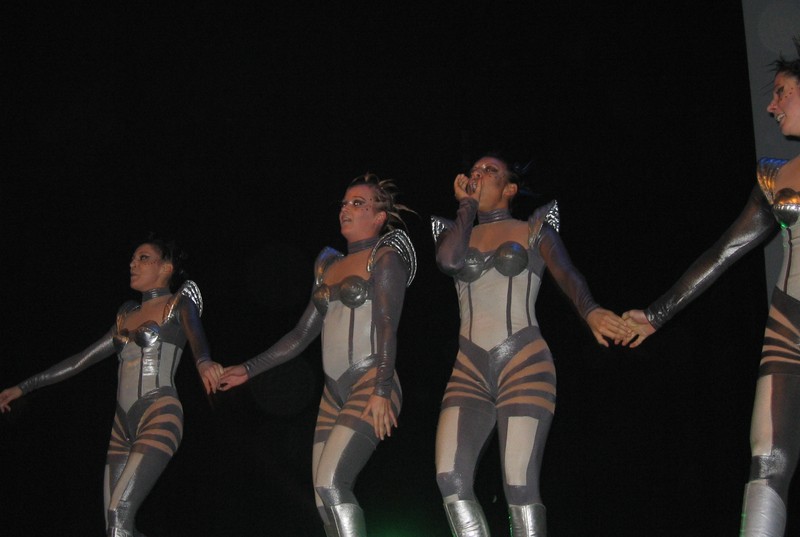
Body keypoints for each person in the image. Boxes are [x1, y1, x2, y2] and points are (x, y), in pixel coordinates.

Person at [622, 39, 800, 537]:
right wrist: (655, 315)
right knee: (767, 459)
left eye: (782, 92)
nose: (772, 106)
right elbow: (723, 253)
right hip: (788, 326)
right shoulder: (775, 177)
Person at [431, 153, 631, 537]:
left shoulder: (534, 229)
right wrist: (466, 206)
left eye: (489, 171)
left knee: (518, 482)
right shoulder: (457, 232)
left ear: (509, 188)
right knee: (449, 479)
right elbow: (448, 261)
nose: (478, 174)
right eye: (474, 171)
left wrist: (590, 310)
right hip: (468, 368)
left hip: (523, 361)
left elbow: (567, 273)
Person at [219, 173, 417, 537]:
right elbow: (300, 336)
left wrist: (382, 388)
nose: (345, 208)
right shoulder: (329, 266)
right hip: (333, 393)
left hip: (372, 379)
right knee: (323, 499)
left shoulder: (385, 258)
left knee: (330, 482)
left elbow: (388, 326)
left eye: (358, 203)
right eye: (344, 202)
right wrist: (247, 369)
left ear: (379, 217)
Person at [0, 235, 223, 537]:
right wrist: (24, 387)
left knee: (119, 516)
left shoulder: (178, 304)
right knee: (114, 530)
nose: (133, 264)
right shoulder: (126, 316)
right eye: (132, 258)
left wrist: (205, 362)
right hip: (121, 426)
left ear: (166, 268)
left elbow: (198, 340)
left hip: (159, 414)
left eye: (143, 258)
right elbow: (80, 361)